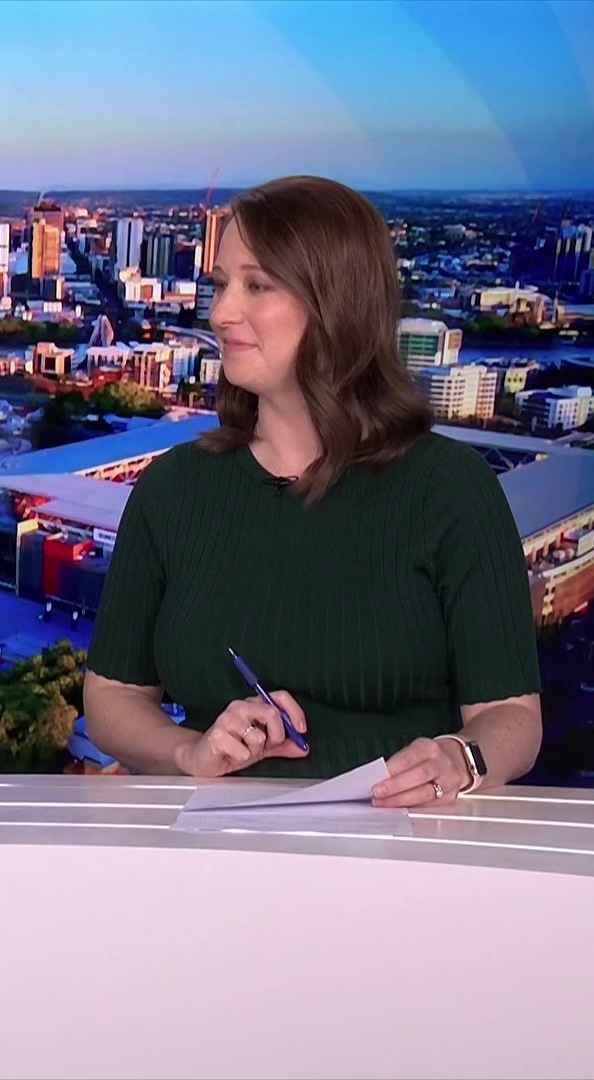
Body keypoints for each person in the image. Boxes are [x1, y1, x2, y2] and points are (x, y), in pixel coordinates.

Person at [83, 175, 542, 807]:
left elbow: (513, 717)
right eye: (221, 284)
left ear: (335, 302)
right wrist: (188, 751)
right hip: (219, 847)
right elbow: (112, 697)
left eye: (257, 286)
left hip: (402, 844)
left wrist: (459, 758)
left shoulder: (450, 491)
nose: (220, 313)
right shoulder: (175, 489)